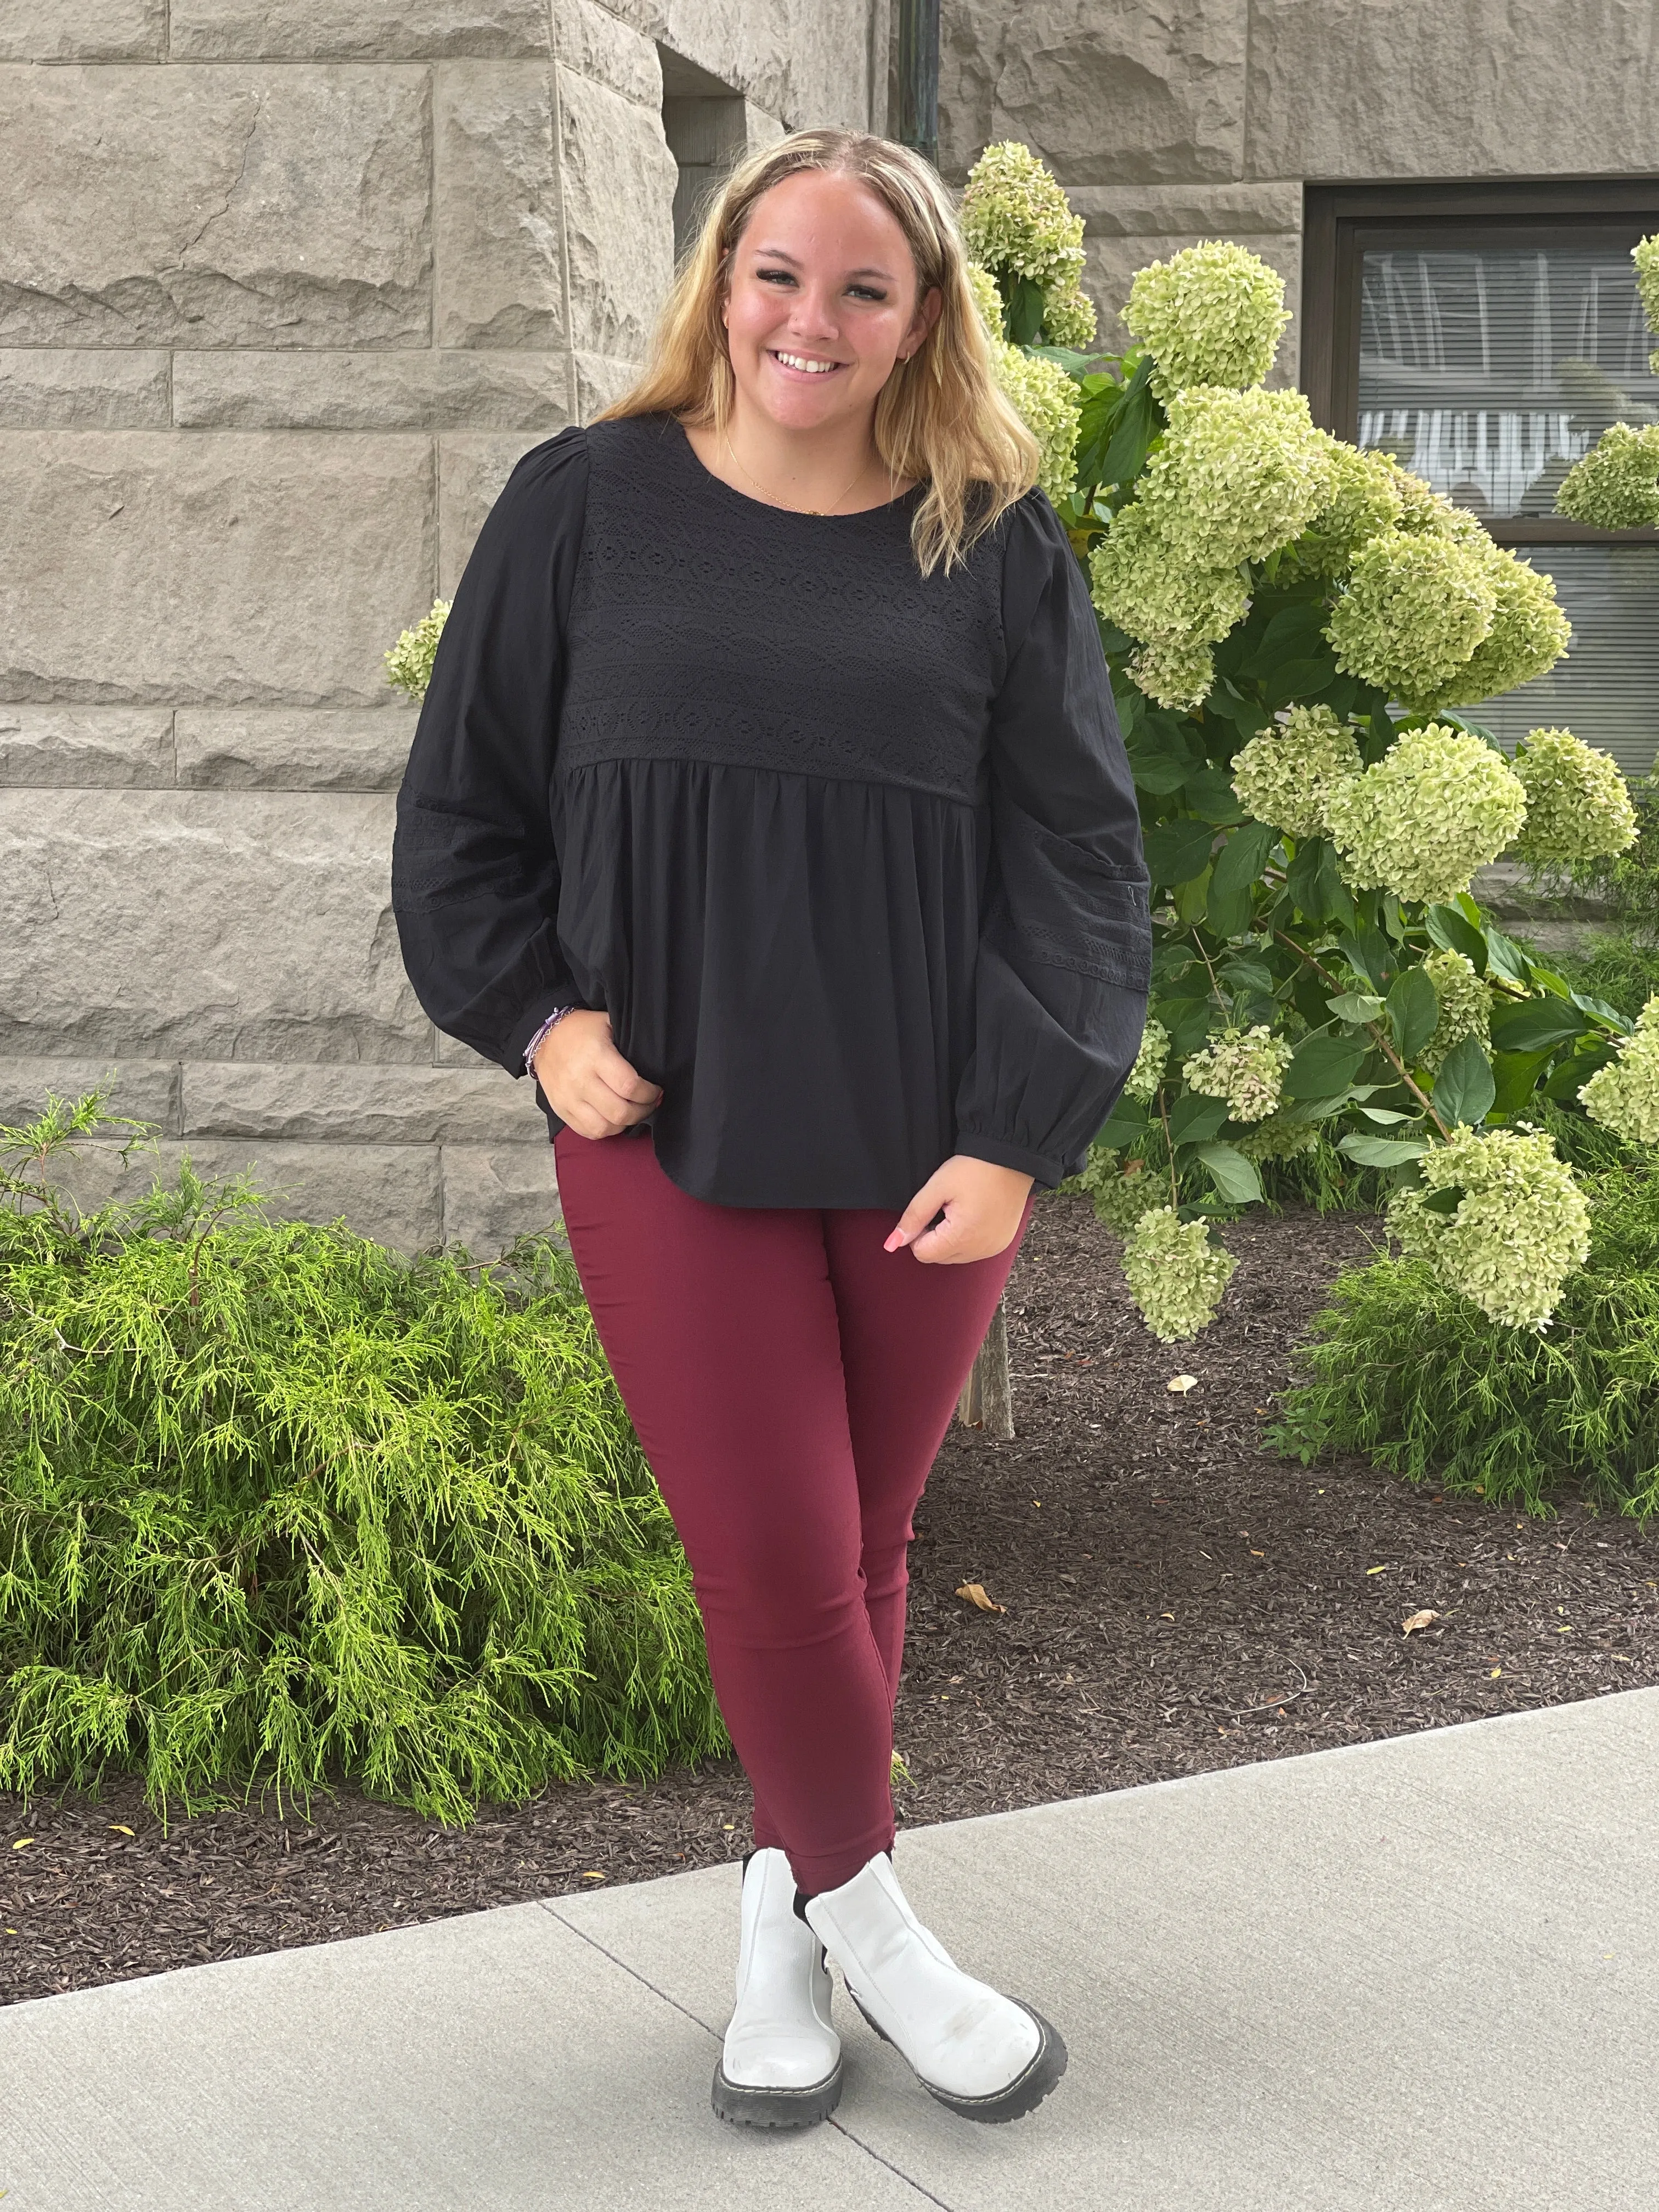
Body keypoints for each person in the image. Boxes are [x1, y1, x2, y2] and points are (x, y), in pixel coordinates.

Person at [391, 126, 1150, 2132]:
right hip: (668, 1135)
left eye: (863, 288)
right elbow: (464, 816)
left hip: (927, 1151)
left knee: (866, 1548)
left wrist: (1019, 1134)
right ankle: (890, 1939)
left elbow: (1079, 862)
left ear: (922, 323)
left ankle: (782, 1923)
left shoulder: (989, 541)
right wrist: (540, 1021)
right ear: (722, 281)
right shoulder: (585, 507)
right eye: (778, 275)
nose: (811, 320)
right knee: (783, 1558)